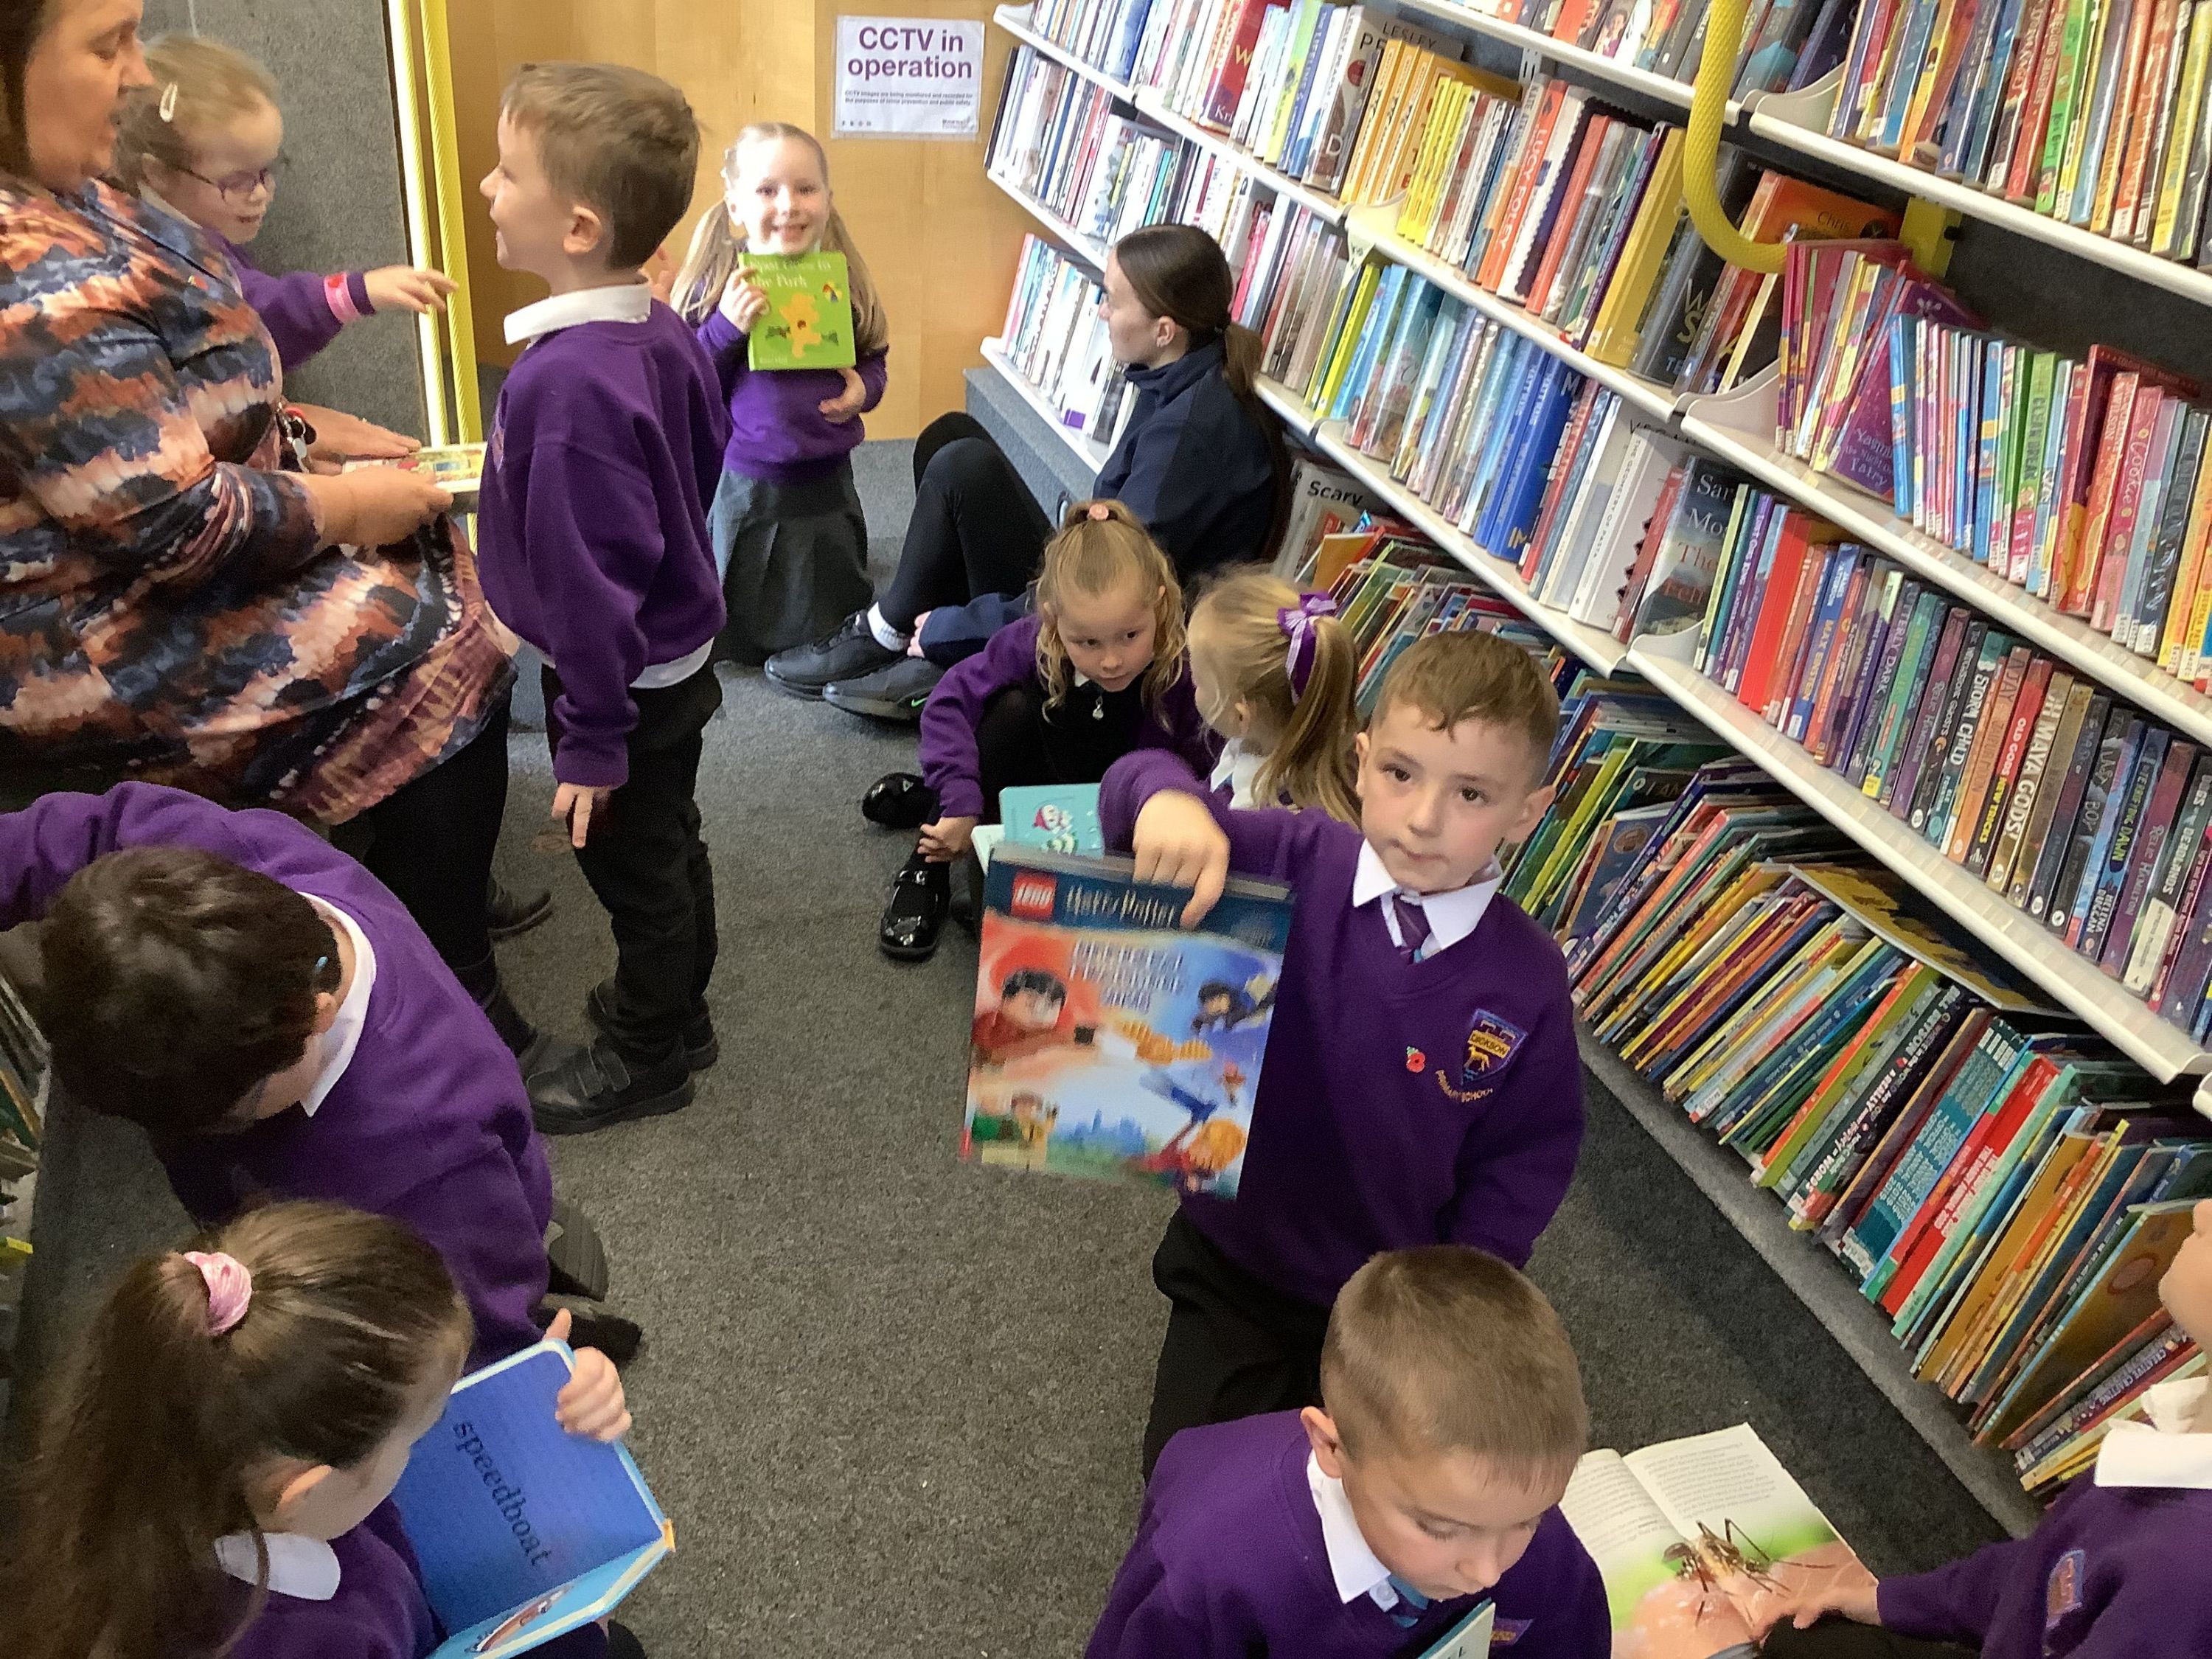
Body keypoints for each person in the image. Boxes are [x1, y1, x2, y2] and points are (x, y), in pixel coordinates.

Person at [0, 0, 534, 1052]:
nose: (137, 74)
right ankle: (459, 991)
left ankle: (426, 894)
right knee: (435, 637)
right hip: (83, 636)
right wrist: (346, 503)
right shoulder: (30, 281)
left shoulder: (71, 193)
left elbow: (174, 411)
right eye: (106, 45)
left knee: (427, 547)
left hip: (137, 564)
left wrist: (301, 438)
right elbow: (176, 527)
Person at [1103, 629, 1582, 1474]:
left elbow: (1525, 1157)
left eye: (1471, 793)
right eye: (1401, 774)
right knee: (1191, 1482)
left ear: (1527, 812)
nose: (1424, 818)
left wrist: (1463, 1291)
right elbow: (1129, 787)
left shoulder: (1528, 977)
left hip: (1394, 1303)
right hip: (1237, 1265)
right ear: (1360, 763)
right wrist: (1164, 801)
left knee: (1389, 1499)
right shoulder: (1290, 857)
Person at [0, 780, 621, 1366]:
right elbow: (72, 833)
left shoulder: (426, 1165)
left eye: (231, 1116)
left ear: (316, 1015)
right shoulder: (203, 869)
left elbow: (470, 1350)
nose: (201, 1132)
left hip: (439, 1244)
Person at [0, 1201, 636, 1659]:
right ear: (303, 1489)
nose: (429, 1441)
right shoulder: (314, 1639)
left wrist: (540, 1392)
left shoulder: (173, 1469)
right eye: (418, 1436)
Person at [475, 62, 729, 1133]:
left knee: (634, 870)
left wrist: (589, 740)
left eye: (507, 173)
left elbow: (587, 587)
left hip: (618, 676)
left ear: (578, 226)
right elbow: (700, 459)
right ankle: (682, 1013)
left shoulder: (566, 385)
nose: (488, 189)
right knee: (669, 838)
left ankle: (645, 1054)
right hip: (668, 655)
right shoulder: (656, 327)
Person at [763, 223, 1281, 717]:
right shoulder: (1181, 374)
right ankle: (909, 627)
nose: (1101, 311)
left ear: (1164, 330)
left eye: (1112, 300)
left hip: (1119, 640)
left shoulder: (1187, 440)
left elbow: (1103, 591)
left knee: (961, 465)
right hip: (1103, 574)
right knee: (951, 436)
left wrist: (955, 629)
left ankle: (900, 634)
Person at [1087, 1244, 1610, 1658]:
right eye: (1439, 1529)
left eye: (1527, 1522)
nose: (1487, 1573)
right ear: (1332, 1446)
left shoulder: (1512, 1524)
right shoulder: (1206, 1567)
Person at [1754, 1194, 2212, 1658]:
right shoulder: (2180, 1439)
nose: (2202, 1212)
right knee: (1805, 1640)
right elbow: (2040, 1575)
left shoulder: (2184, 1575)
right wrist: (1891, 1602)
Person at [882, 499, 1217, 963]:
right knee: (1008, 710)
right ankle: (930, 858)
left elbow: (1211, 768)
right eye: (1088, 642)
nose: (1111, 660)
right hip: (1038, 781)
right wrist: (960, 800)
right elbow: (948, 703)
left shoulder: (1184, 673)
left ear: (1160, 605)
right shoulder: (1032, 641)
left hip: (1116, 810)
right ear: (1054, 620)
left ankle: (936, 795)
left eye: (1130, 636)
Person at [669, 120, 890, 664]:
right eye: (767, 190)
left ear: (828, 200)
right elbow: (685, 379)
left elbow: (873, 356)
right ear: (736, 206)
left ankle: (824, 631)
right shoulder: (720, 287)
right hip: (747, 479)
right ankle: (739, 633)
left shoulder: (843, 282)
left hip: (828, 475)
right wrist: (726, 327)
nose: (788, 205)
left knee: (828, 583)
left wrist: (864, 391)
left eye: (805, 188)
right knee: (742, 579)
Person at [114, 35, 456, 372]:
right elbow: (255, 321)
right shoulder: (171, 258)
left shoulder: (168, 224)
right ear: (158, 174)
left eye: (267, 170)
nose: (261, 193)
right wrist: (352, 293)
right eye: (237, 181)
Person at [1186, 570, 1359, 818]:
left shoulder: (1263, 814)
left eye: (1197, 679)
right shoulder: (1252, 752)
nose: (1192, 682)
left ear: (1241, 716)